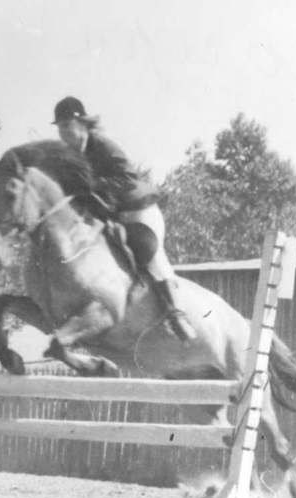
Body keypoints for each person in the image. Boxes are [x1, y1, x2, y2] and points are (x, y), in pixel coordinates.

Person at [51, 96, 197, 341]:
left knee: (148, 252)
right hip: (114, 214)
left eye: (67, 126)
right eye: (60, 129)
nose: (63, 134)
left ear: (83, 124)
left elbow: (128, 178)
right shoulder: (69, 158)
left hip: (140, 210)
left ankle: (175, 314)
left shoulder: (104, 146)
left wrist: (94, 184)